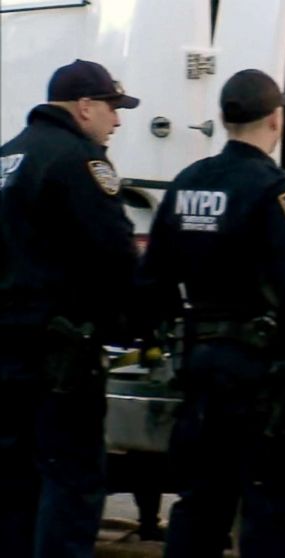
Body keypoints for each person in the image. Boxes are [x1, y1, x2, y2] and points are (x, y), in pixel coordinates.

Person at [138, 69, 285, 557]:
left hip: (200, 368)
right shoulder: (277, 191)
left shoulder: (188, 184)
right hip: (260, 378)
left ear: (225, 119)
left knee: (199, 505)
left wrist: (166, 338)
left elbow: (152, 281)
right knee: (269, 509)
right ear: (275, 120)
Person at [0, 59, 140, 557]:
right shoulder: (81, 160)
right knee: (73, 484)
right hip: (61, 361)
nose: (117, 121)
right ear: (85, 107)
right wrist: (135, 322)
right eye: (113, 108)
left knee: (15, 489)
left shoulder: (8, 157)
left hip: (7, 355)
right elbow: (115, 254)